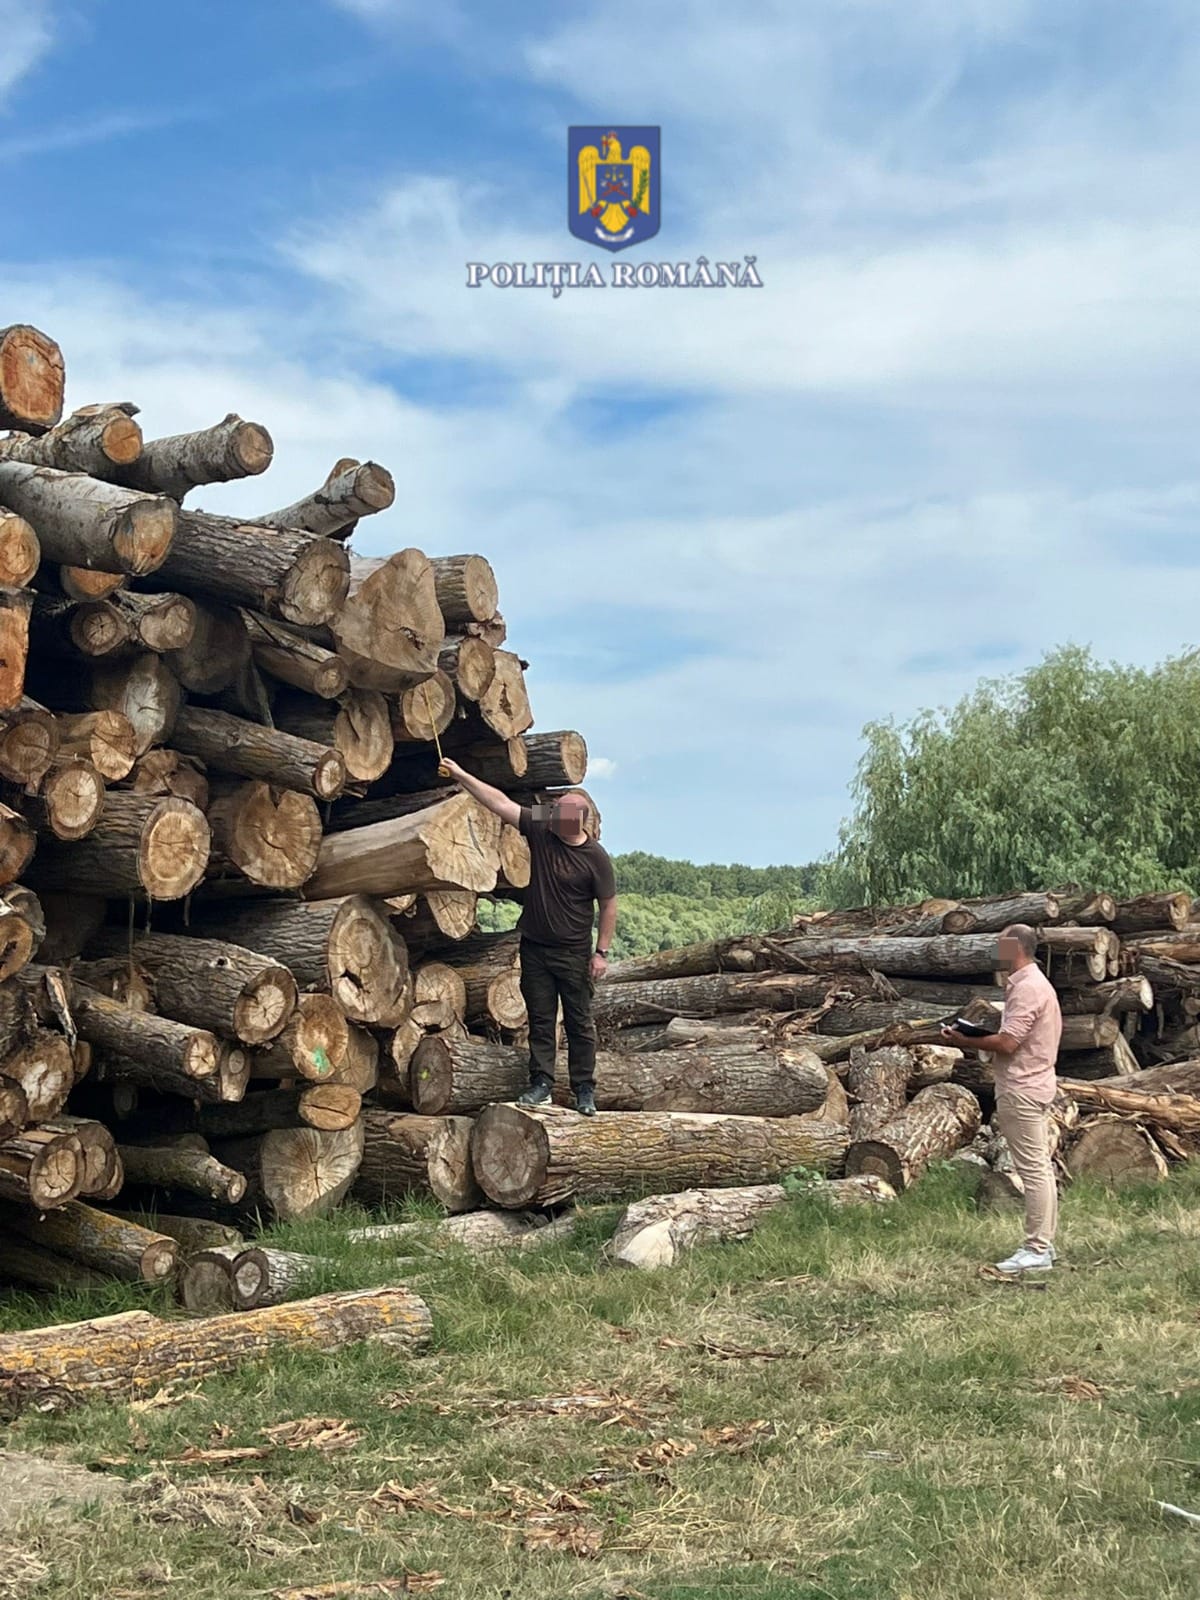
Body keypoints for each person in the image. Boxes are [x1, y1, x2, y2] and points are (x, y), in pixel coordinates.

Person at [437, 760, 617, 1115]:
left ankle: (584, 1090)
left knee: (580, 1023)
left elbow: (609, 905)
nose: (554, 818)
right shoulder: (543, 826)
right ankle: (541, 1084)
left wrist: (601, 953)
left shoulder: (595, 858)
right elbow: (500, 803)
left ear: (578, 821)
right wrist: (461, 774)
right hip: (535, 948)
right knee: (540, 1019)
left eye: (561, 814)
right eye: (554, 811)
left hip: (573, 952)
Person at [941, 923, 1062, 1275]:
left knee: (1034, 1170)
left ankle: (1037, 1249)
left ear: (1015, 948)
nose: (996, 951)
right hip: (1035, 1082)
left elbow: (1008, 1042)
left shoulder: (1027, 988)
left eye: (1000, 945)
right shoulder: (1034, 984)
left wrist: (964, 1040)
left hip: (1022, 1087)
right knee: (1040, 1167)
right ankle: (1044, 1242)